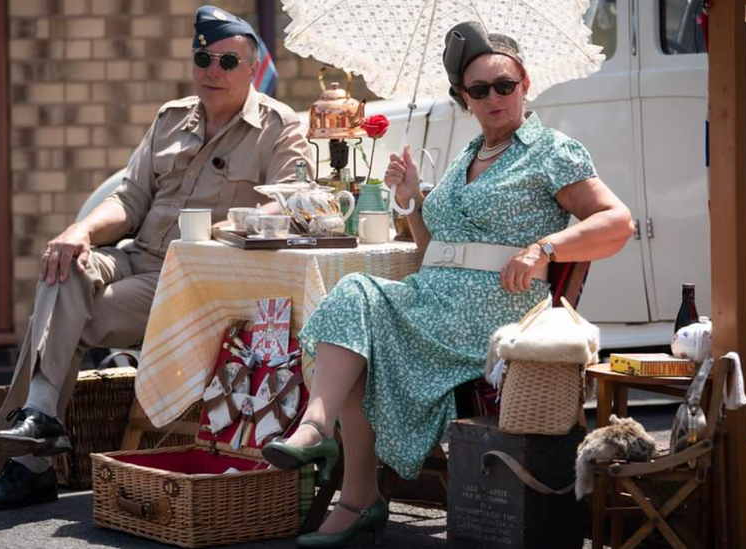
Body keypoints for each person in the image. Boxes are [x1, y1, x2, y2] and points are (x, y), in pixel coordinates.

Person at [261, 22, 634, 548]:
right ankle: (324, 439)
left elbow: (619, 223)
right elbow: (433, 251)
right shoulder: (468, 155)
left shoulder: (552, 150)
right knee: (354, 304)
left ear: (524, 84)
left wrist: (543, 248)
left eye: (504, 85)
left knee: (363, 317)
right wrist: (412, 200)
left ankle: (354, 491)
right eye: (478, 90)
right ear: (465, 98)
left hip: (494, 309)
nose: (493, 98)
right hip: (434, 297)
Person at [0, 5, 314, 511]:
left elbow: (293, 202)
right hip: (136, 259)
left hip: (194, 280)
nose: (213, 71)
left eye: (228, 62)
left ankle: (29, 463)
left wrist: (220, 228)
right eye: (203, 58)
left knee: (66, 313)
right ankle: (40, 419)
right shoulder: (171, 118)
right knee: (64, 266)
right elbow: (127, 200)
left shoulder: (279, 127)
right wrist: (78, 230)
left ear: (253, 69)